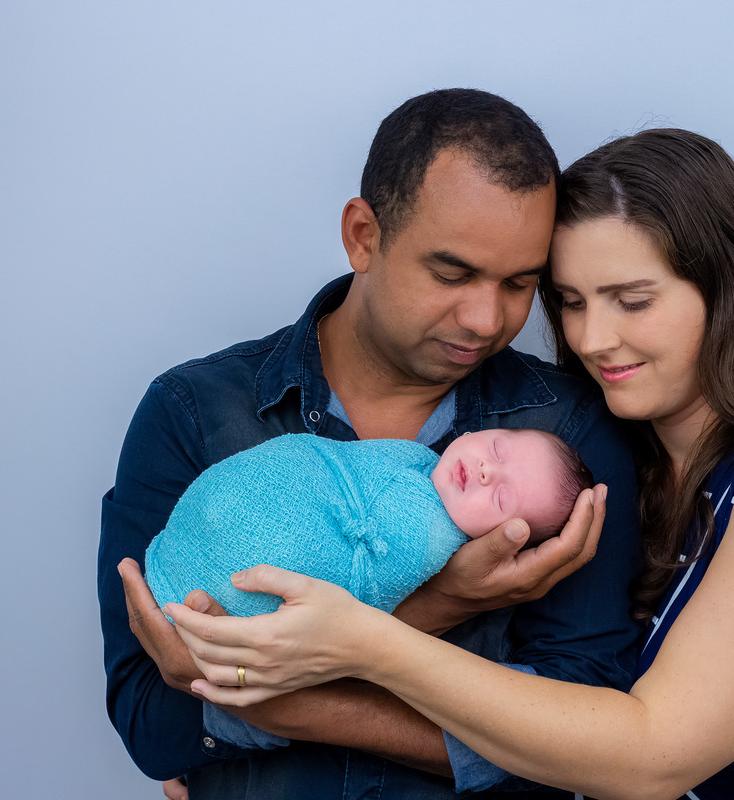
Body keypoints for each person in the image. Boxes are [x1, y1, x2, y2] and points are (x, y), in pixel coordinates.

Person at [167, 129, 734, 800]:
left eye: (633, 300)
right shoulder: (618, 455)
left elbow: (653, 755)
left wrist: (365, 644)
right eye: (572, 302)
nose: (591, 339)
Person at [99, 88, 644, 799]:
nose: (486, 319)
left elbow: (591, 739)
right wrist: (441, 604)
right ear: (362, 235)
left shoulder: (568, 436)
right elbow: (149, 721)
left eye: (519, 284)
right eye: (451, 273)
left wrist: (269, 695)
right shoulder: (192, 411)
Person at [146, 429, 594, 618]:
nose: (484, 471)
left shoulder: (429, 538)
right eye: (497, 449)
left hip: (237, 576)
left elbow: (364, 597)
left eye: (500, 498)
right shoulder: (420, 461)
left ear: (502, 538)